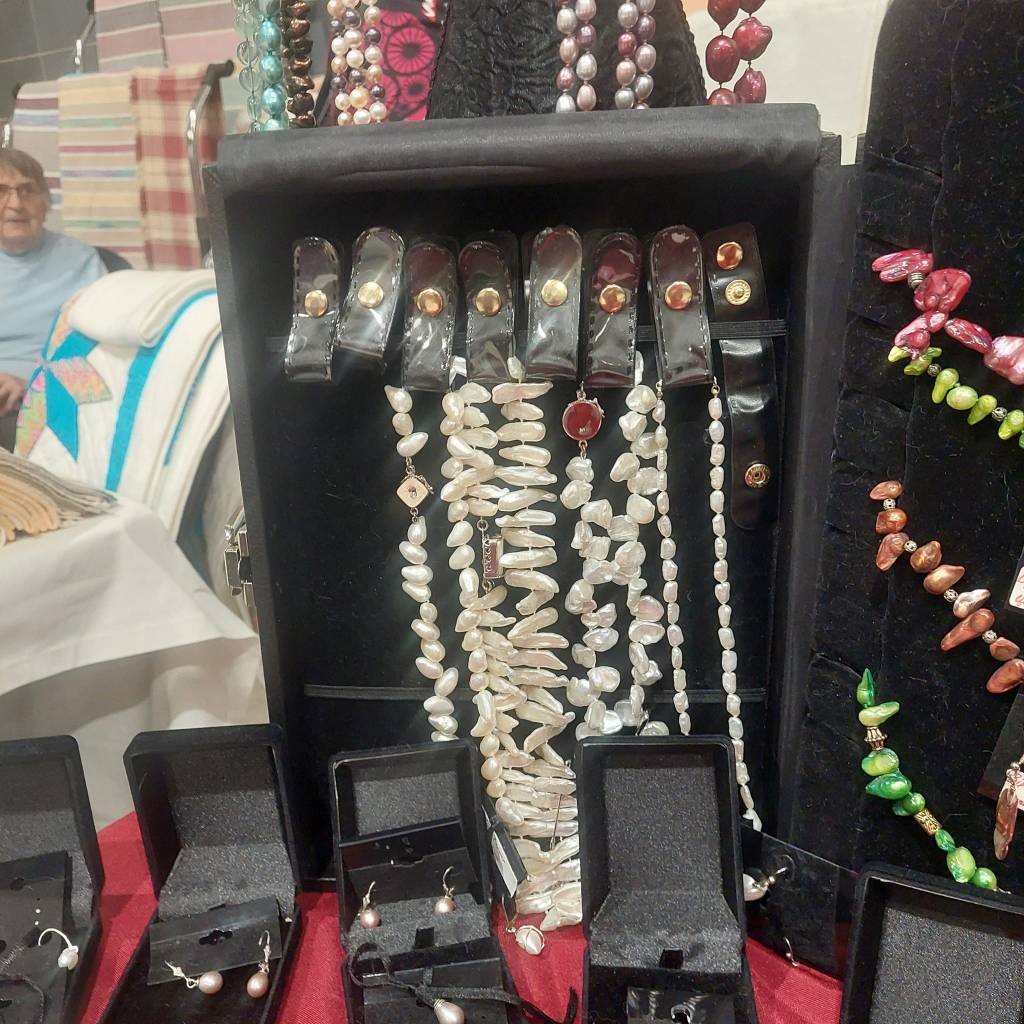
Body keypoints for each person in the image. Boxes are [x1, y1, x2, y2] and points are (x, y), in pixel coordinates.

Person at [0, 149, 106, 450]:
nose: (15, 203)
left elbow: (102, 351)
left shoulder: (82, 261)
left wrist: (34, 387)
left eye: (27, 190)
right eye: (2, 191)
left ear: (46, 204)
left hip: (55, 399)